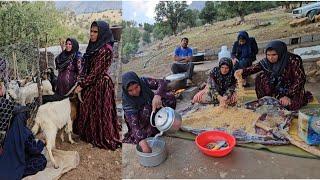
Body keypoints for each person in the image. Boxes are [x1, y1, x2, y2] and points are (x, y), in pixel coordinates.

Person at [73, 21, 121, 150]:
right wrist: (81, 79)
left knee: (99, 112)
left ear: (102, 33)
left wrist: (82, 85)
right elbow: (86, 66)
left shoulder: (106, 50)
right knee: (87, 109)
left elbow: (95, 72)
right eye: (91, 31)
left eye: (95, 32)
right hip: (91, 83)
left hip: (100, 85)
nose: (92, 34)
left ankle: (100, 136)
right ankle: (89, 135)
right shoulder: (94, 46)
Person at [235, 40, 313, 111]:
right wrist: (242, 71)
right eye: (268, 55)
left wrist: (287, 95)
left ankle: (293, 99)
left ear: (280, 52)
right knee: (260, 77)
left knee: (288, 106)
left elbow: (300, 80)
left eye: (274, 55)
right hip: (277, 88)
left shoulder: (294, 60)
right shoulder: (267, 61)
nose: (270, 58)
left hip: (292, 90)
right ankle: (266, 99)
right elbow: (256, 67)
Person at [122, 71, 176, 145]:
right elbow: (134, 125)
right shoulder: (127, 101)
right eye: (130, 90)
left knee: (169, 97)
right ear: (126, 91)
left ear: (139, 83)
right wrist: (142, 142)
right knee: (146, 109)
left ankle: (164, 121)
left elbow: (162, 82)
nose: (135, 92)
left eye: (136, 87)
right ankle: (155, 127)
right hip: (143, 122)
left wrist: (157, 95)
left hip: (153, 110)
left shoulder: (143, 81)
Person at [0, 97, 47, 179]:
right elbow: (34, 150)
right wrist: (41, 143)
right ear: (23, 118)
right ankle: (19, 171)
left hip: (6, 162)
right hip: (19, 161)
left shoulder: (9, 129)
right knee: (41, 160)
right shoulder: (24, 132)